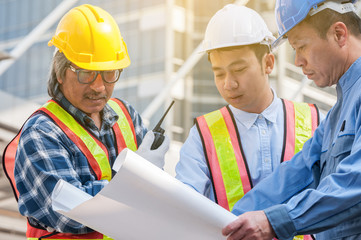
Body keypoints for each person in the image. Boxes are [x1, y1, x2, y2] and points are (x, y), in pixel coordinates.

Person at [2, 4, 169, 240]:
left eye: (110, 73)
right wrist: (139, 180)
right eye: (86, 73)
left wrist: (154, 181)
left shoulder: (126, 115)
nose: (99, 86)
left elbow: (155, 198)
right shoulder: (42, 133)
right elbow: (74, 212)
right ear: (60, 72)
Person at [175, 4, 321, 239]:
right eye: (219, 73)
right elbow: (184, 209)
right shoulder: (203, 135)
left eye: (239, 69)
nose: (228, 84)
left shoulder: (316, 122)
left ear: (268, 63)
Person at [222, 0, 361, 239]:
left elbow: (355, 183)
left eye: (302, 46)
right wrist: (225, 221)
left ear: (339, 34)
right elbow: (296, 174)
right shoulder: (336, 115)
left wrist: (273, 222)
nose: (298, 61)